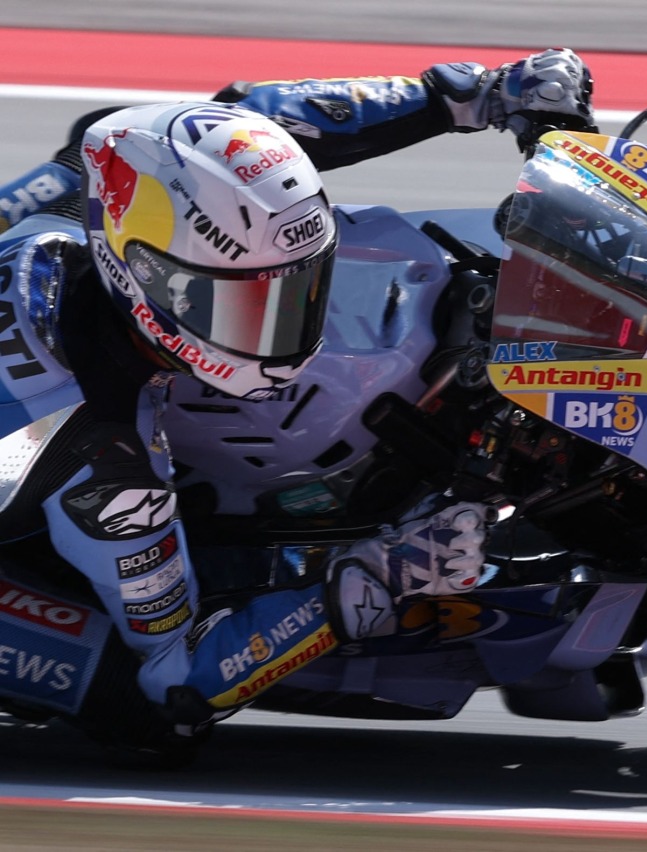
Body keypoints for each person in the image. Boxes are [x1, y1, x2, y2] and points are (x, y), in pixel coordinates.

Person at [0, 49, 594, 755]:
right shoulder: (103, 452)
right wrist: (383, 575)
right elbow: (181, 672)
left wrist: (474, 95)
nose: (282, 329)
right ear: (146, 278)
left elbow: (250, 120)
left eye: (296, 288)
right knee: (147, 706)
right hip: (42, 466)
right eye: (246, 303)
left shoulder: (106, 179)